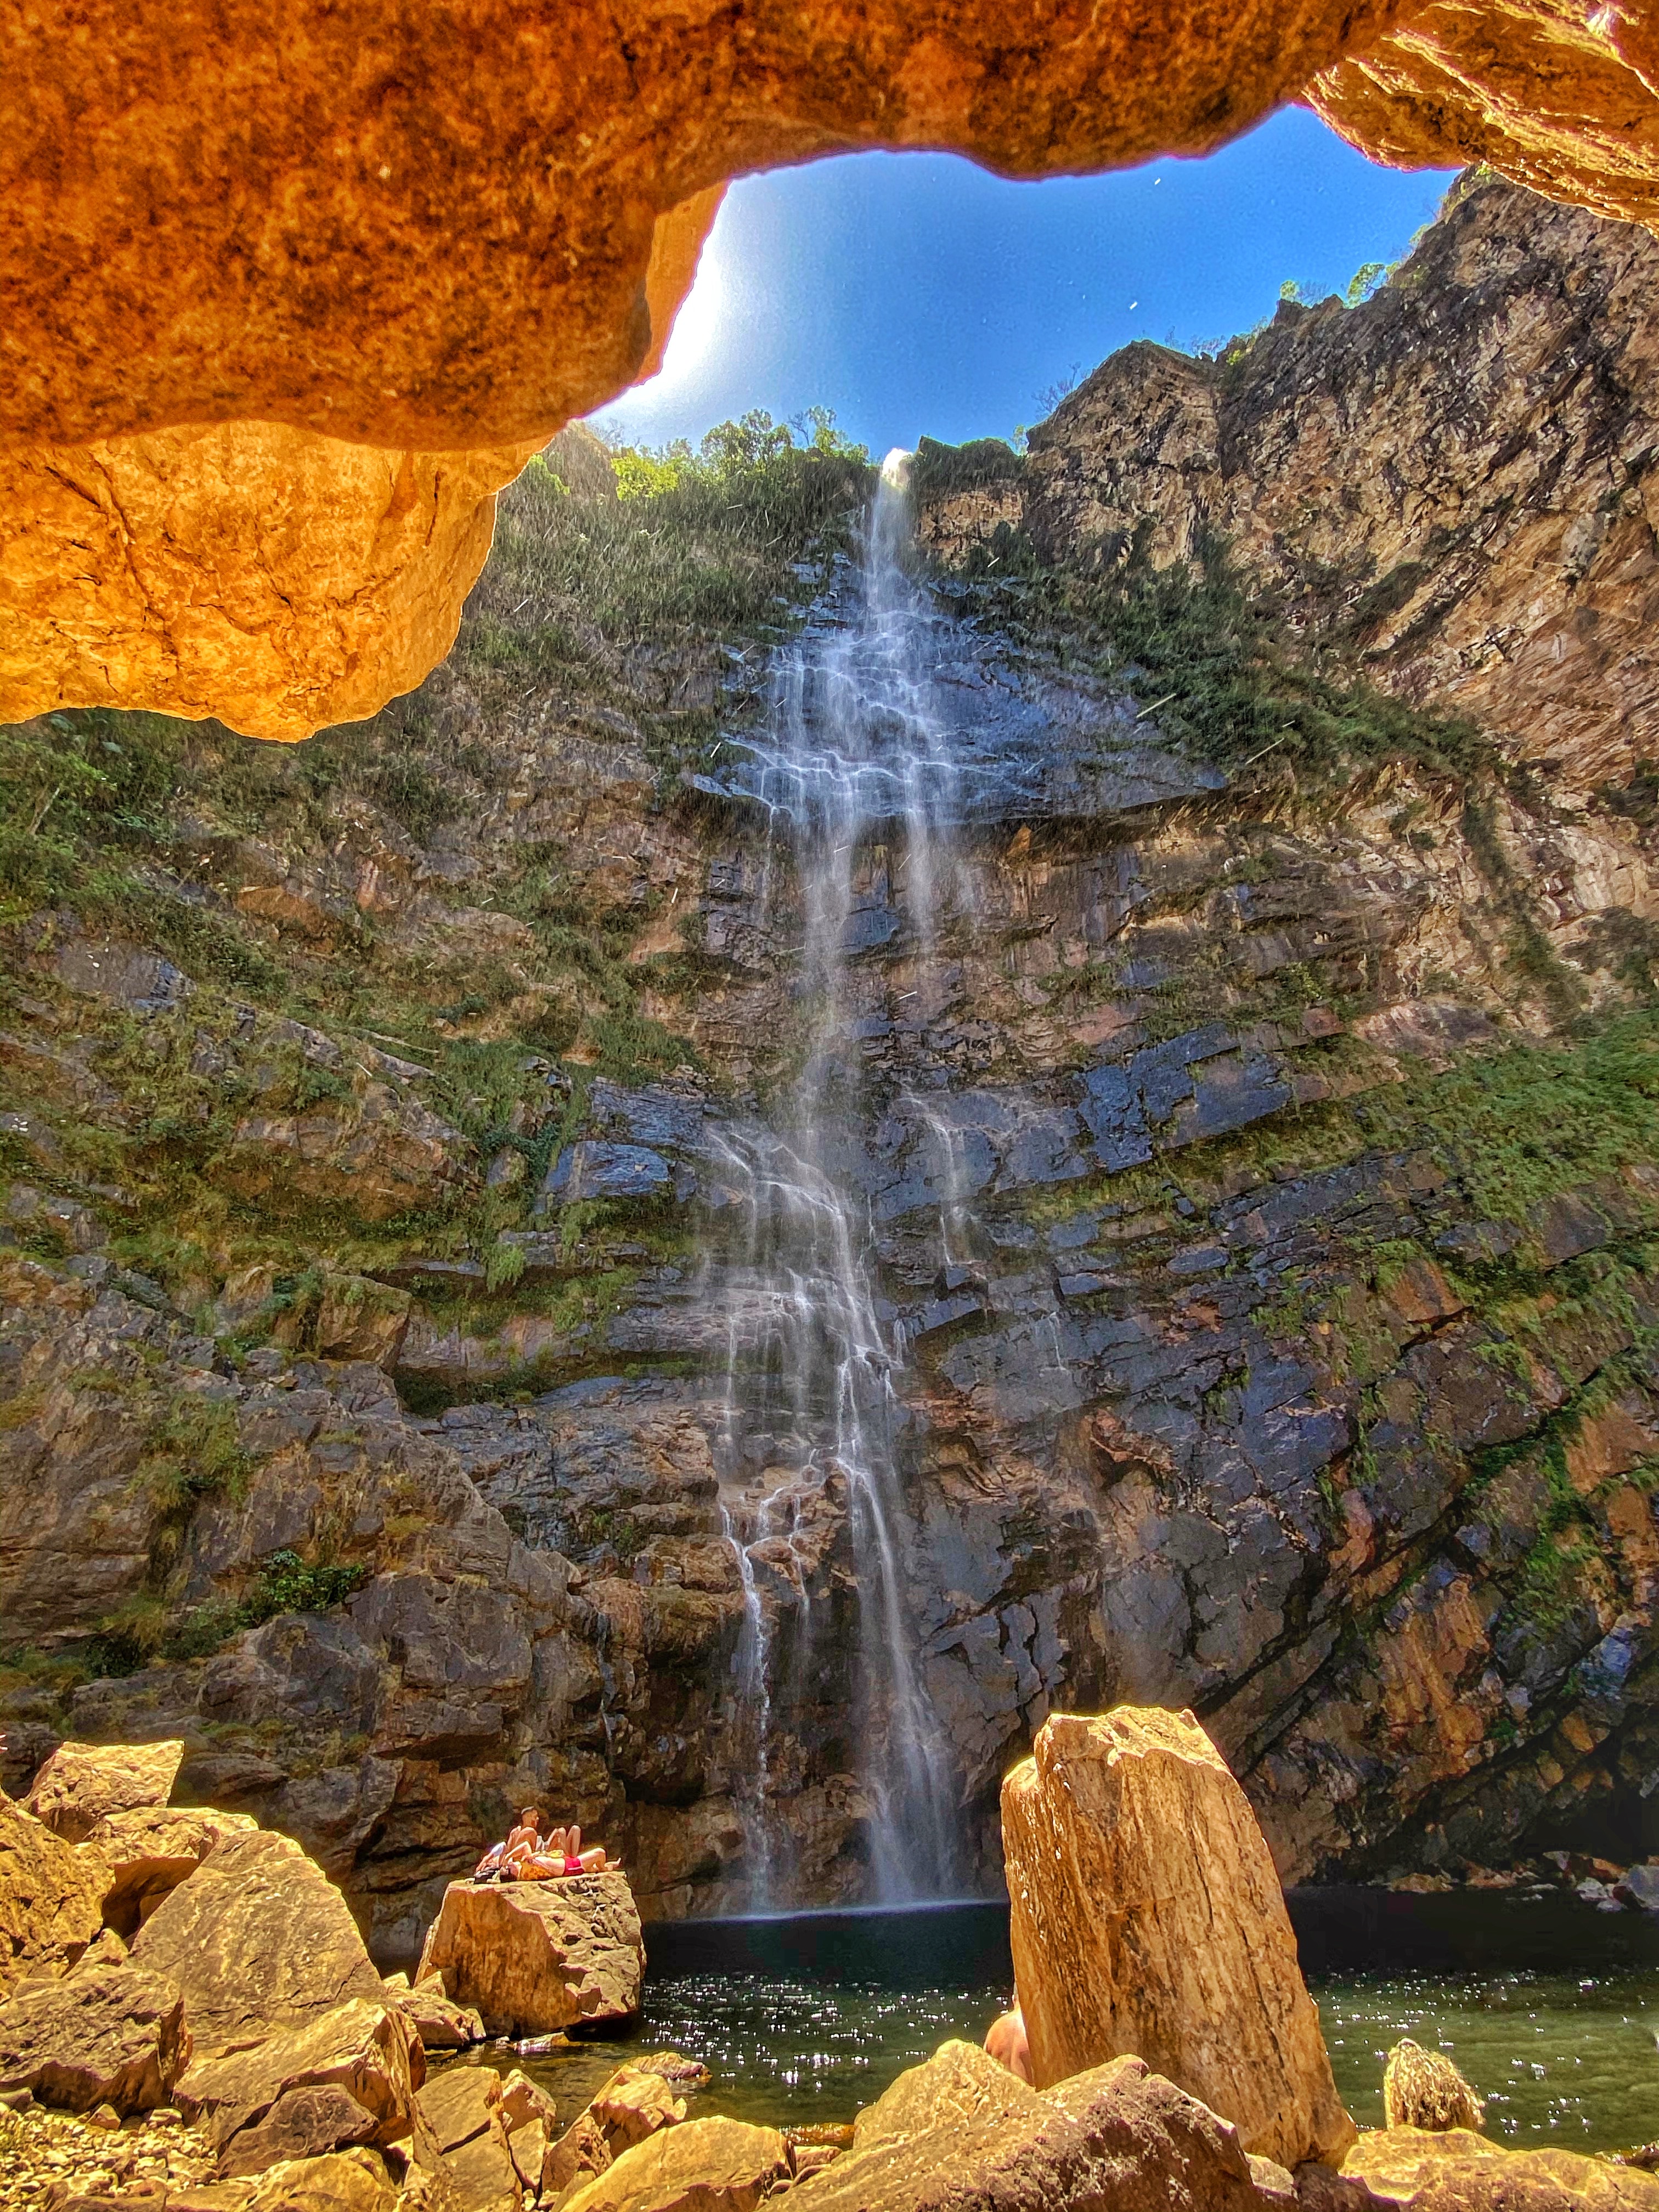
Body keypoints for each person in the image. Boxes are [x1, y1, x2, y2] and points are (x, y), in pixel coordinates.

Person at [984, 2002, 1031, 2083]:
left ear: (1014, 1999)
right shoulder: (1039, 2033)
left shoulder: (995, 2029)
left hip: (1001, 2092)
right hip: (1030, 2093)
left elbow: (985, 2070)